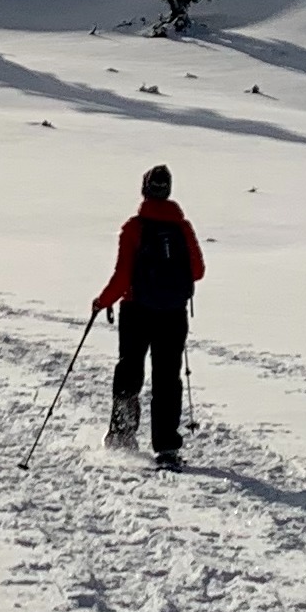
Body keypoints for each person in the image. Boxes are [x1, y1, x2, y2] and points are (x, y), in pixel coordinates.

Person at [93, 164, 205, 469]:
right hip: (173, 314)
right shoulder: (183, 228)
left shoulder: (134, 227)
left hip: (136, 311)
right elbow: (198, 271)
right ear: (168, 190)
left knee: (129, 370)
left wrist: (102, 302)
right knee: (167, 378)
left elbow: (122, 274)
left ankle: (122, 435)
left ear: (144, 189)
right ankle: (166, 447)